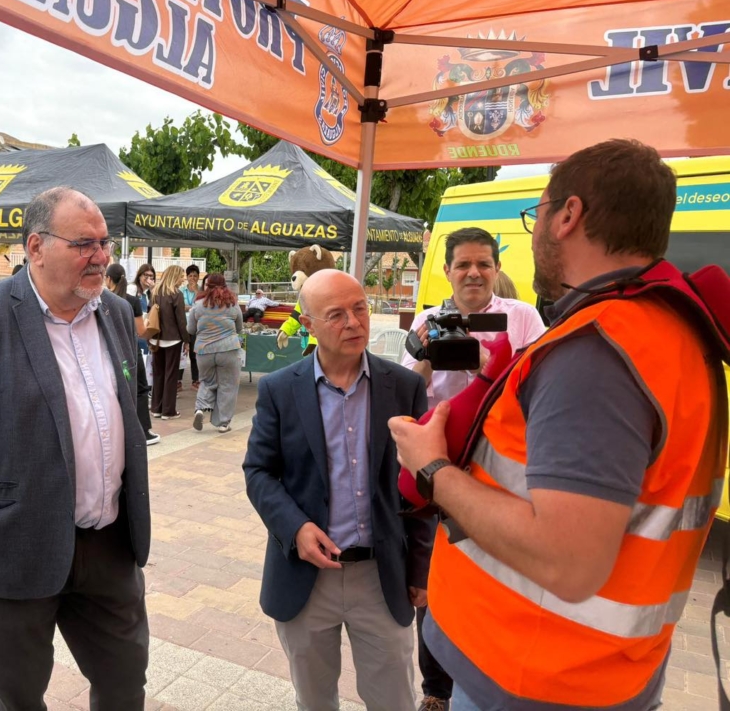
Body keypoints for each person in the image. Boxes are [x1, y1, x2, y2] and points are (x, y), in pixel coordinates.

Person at [390, 139, 726, 711]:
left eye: (536, 214)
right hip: (593, 669)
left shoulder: (595, 352)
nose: (534, 233)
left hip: (538, 676)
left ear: (568, 215)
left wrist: (432, 469)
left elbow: (567, 562)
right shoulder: (668, 326)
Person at [0, 187, 151, 711]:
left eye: (104, 243)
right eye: (84, 244)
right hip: (15, 547)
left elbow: (129, 406)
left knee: (126, 685)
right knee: (15, 698)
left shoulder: (113, 312)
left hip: (109, 547)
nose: (100, 257)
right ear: (36, 247)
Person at [244, 269, 434, 711]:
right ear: (307, 324)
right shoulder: (279, 390)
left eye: (360, 308)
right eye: (336, 314)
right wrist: (295, 527)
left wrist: (422, 568)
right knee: (314, 700)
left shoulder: (404, 386)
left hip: (382, 575)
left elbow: (423, 485)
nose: (353, 322)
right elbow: (258, 471)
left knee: (394, 700)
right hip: (306, 578)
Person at [400, 227, 546, 709]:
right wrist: (424, 354)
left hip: (503, 474)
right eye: (463, 264)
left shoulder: (522, 317)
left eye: (483, 263)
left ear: (497, 268)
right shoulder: (427, 319)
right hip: (440, 469)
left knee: (496, 577)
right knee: (434, 582)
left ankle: (491, 673)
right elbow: (407, 393)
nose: (473, 273)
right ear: (447, 270)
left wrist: (485, 358)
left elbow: (539, 388)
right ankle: (436, 690)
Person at [106, 262, 160, 446]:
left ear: (108, 279)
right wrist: (148, 323)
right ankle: (143, 431)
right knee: (140, 389)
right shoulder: (132, 301)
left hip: (109, 350)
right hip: (130, 351)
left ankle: (117, 431)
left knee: (113, 390)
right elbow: (141, 331)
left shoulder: (103, 300)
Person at [187, 273, 243, 433]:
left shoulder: (198, 305)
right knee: (228, 385)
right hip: (228, 349)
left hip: (204, 350)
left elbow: (190, 329)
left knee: (206, 381)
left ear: (207, 285)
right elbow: (239, 328)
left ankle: (199, 409)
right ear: (225, 285)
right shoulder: (233, 303)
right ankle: (223, 423)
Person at [148, 264, 189, 419]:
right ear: (174, 276)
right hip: (173, 339)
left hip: (156, 338)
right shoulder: (177, 294)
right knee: (171, 375)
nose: (183, 280)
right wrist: (186, 340)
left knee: (158, 374)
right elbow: (181, 321)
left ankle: (156, 408)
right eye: (181, 277)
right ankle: (168, 410)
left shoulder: (155, 292)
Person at [181, 264, 201, 388]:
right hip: (183, 324)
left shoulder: (201, 291)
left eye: (195, 276)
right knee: (182, 353)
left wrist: (196, 292)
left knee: (194, 353)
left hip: (196, 325)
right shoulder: (181, 290)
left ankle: (196, 379)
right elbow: (180, 306)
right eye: (190, 276)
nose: (192, 278)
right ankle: (178, 380)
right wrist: (192, 307)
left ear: (198, 277)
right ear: (187, 277)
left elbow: (201, 305)